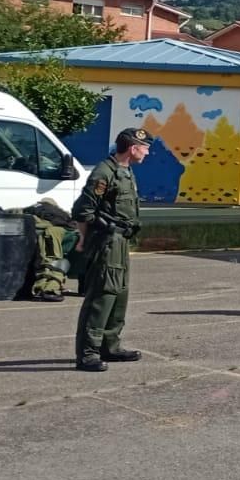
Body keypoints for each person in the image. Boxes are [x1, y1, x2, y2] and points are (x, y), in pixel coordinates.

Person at [71, 127, 152, 372]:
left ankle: (110, 345)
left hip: (122, 242)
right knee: (102, 296)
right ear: (133, 148)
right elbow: (82, 210)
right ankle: (87, 353)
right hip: (107, 241)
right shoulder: (104, 172)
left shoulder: (125, 172)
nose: (147, 152)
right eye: (145, 147)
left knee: (119, 294)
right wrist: (85, 238)